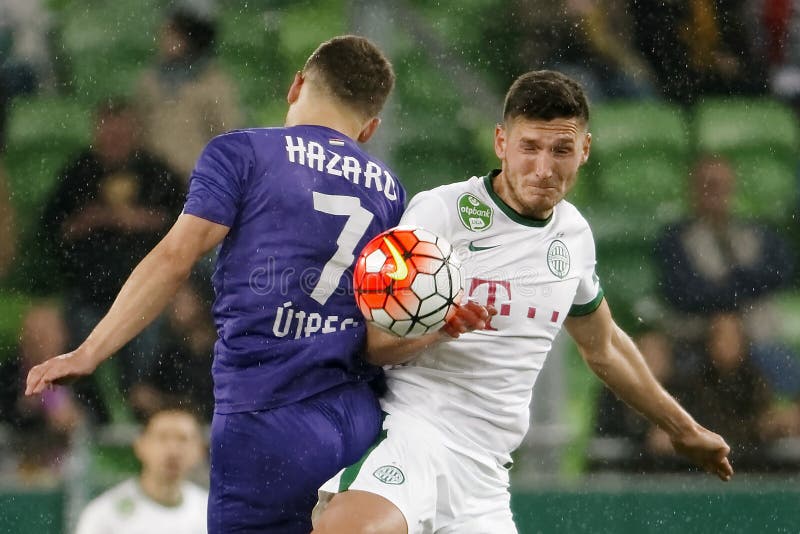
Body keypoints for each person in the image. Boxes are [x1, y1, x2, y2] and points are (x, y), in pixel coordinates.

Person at [24, 36, 487, 534]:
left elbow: (174, 258)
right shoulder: (389, 190)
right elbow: (378, 342)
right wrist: (439, 329)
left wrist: (89, 352)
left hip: (265, 419)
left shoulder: (243, 152)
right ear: (370, 127)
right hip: (355, 425)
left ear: (296, 86)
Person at [312, 70, 734, 534]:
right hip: (415, 434)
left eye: (561, 150)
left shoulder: (573, 237)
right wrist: (437, 325)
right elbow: (374, 345)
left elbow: (605, 346)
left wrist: (683, 429)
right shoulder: (442, 213)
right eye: (529, 146)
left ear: (585, 150)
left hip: (486, 475)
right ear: (501, 142)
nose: (544, 168)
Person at [21, 99, 184, 422]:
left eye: (121, 132)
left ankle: (145, 412)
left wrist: (134, 220)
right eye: (108, 132)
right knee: (55, 334)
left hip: (147, 292)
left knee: (151, 342)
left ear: (135, 132)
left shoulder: (156, 172)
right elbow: (53, 230)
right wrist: (87, 222)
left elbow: (187, 227)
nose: (114, 139)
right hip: (87, 292)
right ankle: (86, 420)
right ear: (97, 131)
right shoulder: (78, 172)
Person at [654, 154, 800, 398]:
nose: (715, 193)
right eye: (708, 185)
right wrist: (744, 284)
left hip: (757, 337)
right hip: (699, 338)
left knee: (781, 364)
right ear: (693, 190)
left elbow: (781, 271)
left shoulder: (755, 231)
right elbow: (684, 293)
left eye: (721, 185)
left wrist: (725, 284)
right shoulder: (675, 238)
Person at [134, 7, 242, 182]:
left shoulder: (213, 82)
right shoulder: (151, 80)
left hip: (196, 177)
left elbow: (226, 133)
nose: (163, 39)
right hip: (154, 178)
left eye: (171, 33)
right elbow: (139, 128)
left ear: (189, 37)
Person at [74, 406, 207, 534]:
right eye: (162, 437)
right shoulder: (105, 514)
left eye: (182, 439)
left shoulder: (212, 513)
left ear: (200, 451)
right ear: (140, 445)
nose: (173, 450)